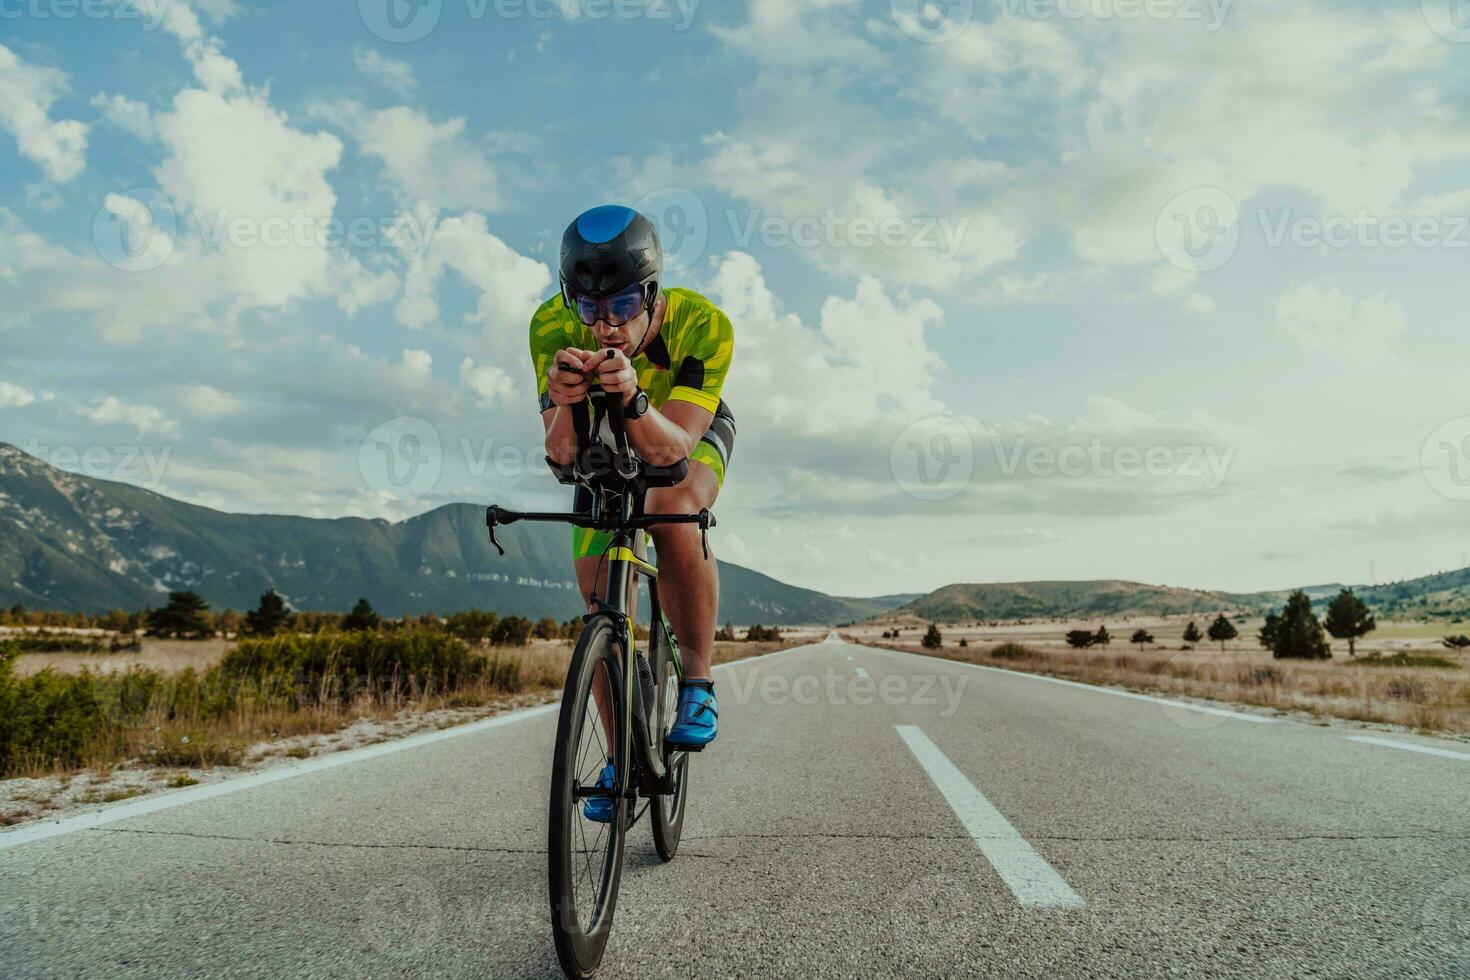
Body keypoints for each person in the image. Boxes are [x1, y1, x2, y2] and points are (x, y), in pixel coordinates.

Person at [529, 205, 736, 822]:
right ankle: (622, 753)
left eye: (621, 307)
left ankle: (697, 682)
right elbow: (562, 455)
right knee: (598, 600)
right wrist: (565, 404)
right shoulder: (549, 324)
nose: (605, 327)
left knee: (670, 504)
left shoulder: (705, 325)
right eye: (589, 309)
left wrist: (635, 396)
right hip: (601, 432)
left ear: (652, 293)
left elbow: (673, 452)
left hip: (680, 422)